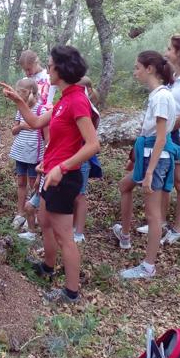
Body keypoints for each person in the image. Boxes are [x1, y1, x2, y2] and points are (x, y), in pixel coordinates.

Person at [0, 45, 100, 304]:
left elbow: (92, 144)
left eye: (51, 64)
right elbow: (34, 123)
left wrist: (61, 167)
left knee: (64, 236)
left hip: (64, 178)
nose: (47, 68)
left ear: (61, 69)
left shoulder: (77, 101)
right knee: (44, 220)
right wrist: (19, 101)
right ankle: (47, 266)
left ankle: (71, 292)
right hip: (51, 173)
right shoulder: (64, 99)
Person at [112, 51, 180, 279]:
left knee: (153, 215)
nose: (135, 72)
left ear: (149, 69)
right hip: (148, 155)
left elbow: (161, 138)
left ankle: (148, 266)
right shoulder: (157, 95)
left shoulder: (161, 97)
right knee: (125, 186)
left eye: (137, 67)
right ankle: (125, 234)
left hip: (157, 159)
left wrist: (149, 172)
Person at [135, 35, 180, 244]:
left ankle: (178, 227)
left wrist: (161, 132)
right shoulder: (174, 78)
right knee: (165, 181)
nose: (166, 52)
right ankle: (160, 221)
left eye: (170, 49)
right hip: (168, 136)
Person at [8, 78, 46, 230]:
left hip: (34, 154)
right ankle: (20, 212)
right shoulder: (20, 109)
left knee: (33, 184)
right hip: (20, 152)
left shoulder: (40, 110)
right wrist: (22, 126)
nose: (17, 94)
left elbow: (44, 133)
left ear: (30, 92)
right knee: (21, 183)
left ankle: (34, 213)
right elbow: (13, 130)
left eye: (20, 92)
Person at [72, 76, 103, 244]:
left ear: (88, 90)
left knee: (80, 195)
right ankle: (71, 227)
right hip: (72, 155)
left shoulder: (91, 111)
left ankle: (79, 232)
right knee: (73, 194)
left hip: (82, 156)